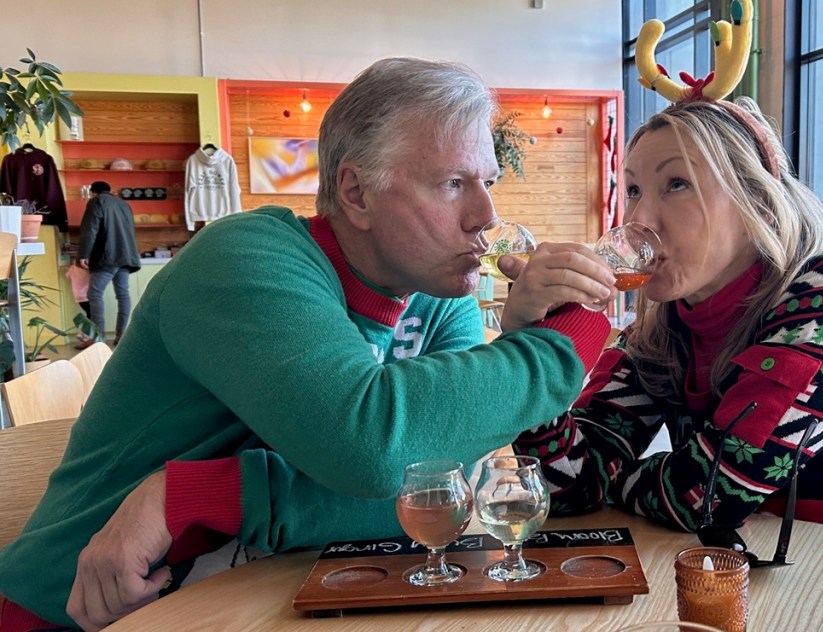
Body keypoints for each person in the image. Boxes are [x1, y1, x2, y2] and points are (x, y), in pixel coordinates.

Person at [0, 58, 618, 631]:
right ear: (356, 193)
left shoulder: (439, 295)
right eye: (453, 184)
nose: (485, 214)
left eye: (485, 181)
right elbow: (373, 446)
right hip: (84, 609)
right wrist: (567, 335)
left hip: (267, 594)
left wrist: (198, 496)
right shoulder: (245, 259)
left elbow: (444, 491)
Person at [511, 95, 823, 585]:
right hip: (803, 571)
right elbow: (566, 484)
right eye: (635, 191)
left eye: (676, 185)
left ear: (755, 198)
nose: (639, 220)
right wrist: (536, 341)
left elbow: (708, 495)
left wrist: (622, 480)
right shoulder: (662, 329)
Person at [75, 180, 141, 347]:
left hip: (107, 256)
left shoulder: (96, 202)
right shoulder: (124, 204)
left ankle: (96, 339)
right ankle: (121, 335)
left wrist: (84, 254)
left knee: (95, 294)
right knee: (123, 294)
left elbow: (91, 228)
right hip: (125, 256)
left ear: (93, 192)